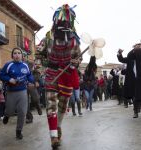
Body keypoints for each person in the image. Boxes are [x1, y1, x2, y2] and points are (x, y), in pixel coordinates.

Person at [38, 4, 81, 149]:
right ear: (56, 20)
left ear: (71, 22)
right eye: (61, 21)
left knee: (63, 105)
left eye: (66, 21)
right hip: (51, 74)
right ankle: (53, 136)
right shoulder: (48, 38)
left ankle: (58, 126)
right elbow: (38, 54)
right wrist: (42, 66)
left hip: (67, 75)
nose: (64, 23)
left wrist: (75, 62)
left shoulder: (74, 40)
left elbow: (78, 58)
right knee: (51, 105)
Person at [0, 47, 34, 139]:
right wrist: (9, 79)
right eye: (15, 53)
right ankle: (7, 115)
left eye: (19, 53)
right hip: (11, 92)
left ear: (22, 55)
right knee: (10, 110)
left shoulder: (25, 65)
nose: (17, 55)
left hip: (22, 91)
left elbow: (29, 75)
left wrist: (31, 82)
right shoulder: (8, 65)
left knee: (22, 112)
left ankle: (19, 131)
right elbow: (1, 74)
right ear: (12, 55)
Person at [117, 43, 141, 118]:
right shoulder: (130, 58)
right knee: (135, 96)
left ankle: (138, 108)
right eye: (136, 48)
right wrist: (119, 53)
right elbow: (121, 59)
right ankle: (135, 111)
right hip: (132, 81)